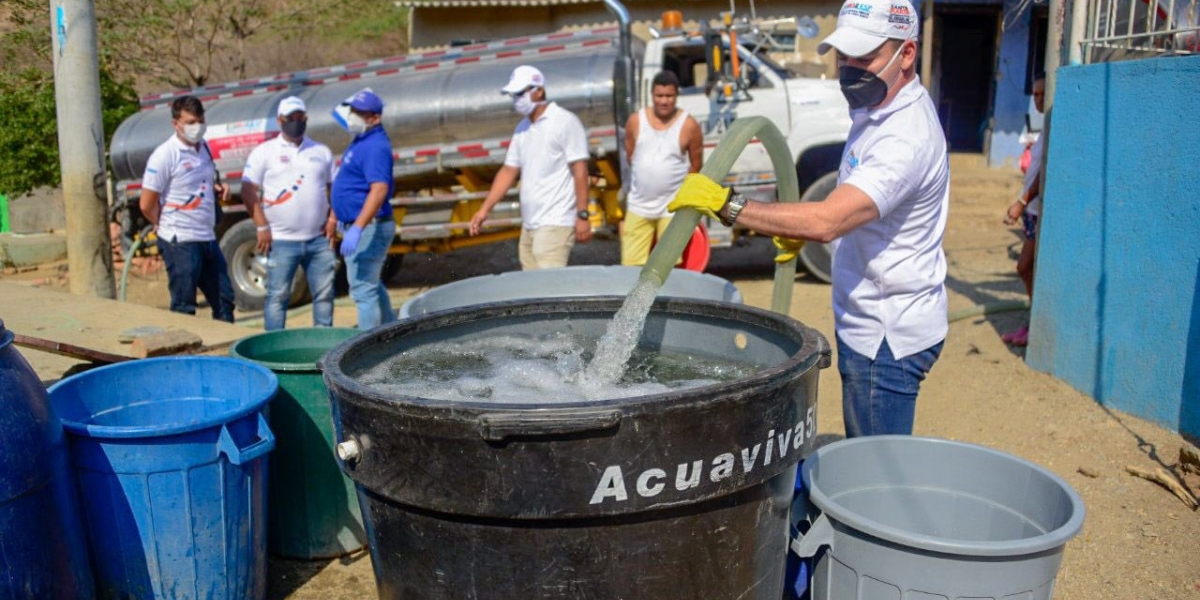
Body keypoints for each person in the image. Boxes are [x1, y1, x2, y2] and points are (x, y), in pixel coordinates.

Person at [667, 0, 948, 438]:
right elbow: (850, 206)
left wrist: (729, 205)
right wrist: (789, 223)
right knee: (866, 449)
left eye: (865, 56)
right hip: (871, 317)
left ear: (907, 54)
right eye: (844, 57)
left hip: (886, 333)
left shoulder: (904, 137)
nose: (851, 68)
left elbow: (827, 220)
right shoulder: (878, 108)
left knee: (875, 466)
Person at [468, 65, 592, 269]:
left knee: (548, 290)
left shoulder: (564, 121)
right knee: (532, 291)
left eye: (520, 93)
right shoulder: (522, 128)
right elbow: (508, 171)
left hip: (556, 221)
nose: (516, 100)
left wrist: (582, 215)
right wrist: (484, 210)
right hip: (529, 224)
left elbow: (580, 171)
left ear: (539, 90)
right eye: (513, 95)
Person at [241, 96, 338, 331]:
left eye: (299, 118)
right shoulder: (264, 152)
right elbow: (247, 189)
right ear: (279, 120)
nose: (295, 122)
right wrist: (261, 226)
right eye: (289, 118)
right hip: (281, 240)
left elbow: (335, 187)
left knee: (324, 295)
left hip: (318, 240)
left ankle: (323, 346)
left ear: (305, 119)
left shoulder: (320, 151)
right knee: (277, 297)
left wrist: (333, 218)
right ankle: (273, 346)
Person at [139, 95, 236, 322]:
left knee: (224, 299)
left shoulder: (204, 149)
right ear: (176, 124)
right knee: (185, 306)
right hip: (179, 239)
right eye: (191, 122)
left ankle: (224, 354)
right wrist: (160, 222)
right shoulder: (166, 155)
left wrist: (217, 189)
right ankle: (183, 356)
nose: (197, 127)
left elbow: (198, 183)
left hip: (206, 237)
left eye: (200, 121)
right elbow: (146, 203)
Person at [620, 71, 703, 266]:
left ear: (676, 96)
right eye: (659, 96)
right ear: (652, 95)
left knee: (669, 266)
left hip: (671, 208)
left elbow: (696, 164)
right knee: (630, 266)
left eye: (669, 96)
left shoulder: (689, 125)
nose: (664, 101)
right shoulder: (636, 121)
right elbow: (630, 155)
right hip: (638, 205)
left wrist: (685, 199)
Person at [330, 88, 397, 330]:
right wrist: (335, 216)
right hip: (360, 224)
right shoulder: (361, 140)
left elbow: (379, 189)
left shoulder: (376, 146)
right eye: (352, 111)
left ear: (374, 118)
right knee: (370, 284)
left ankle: (367, 345)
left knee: (362, 289)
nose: (352, 117)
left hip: (370, 226)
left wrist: (358, 226)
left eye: (359, 113)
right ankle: (391, 328)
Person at [1002, 76, 1046, 347]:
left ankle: (1036, 324)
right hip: (1031, 210)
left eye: (1043, 94)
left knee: (1025, 266)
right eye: (1036, 94)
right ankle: (1033, 321)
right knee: (1027, 268)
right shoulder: (1041, 133)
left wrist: (1021, 201)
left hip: (1036, 210)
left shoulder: (1051, 131)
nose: (1039, 99)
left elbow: (1043, 174)